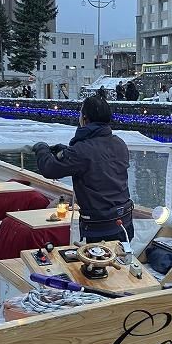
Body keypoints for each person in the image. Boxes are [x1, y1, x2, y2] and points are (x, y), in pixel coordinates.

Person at [32, 95, 134, 243]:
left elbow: (49, 169)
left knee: (100, 258)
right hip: (124, 220)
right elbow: (97, 161)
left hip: (99, 226)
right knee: (121, 256)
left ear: (84, 118)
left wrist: (42, 149)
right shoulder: (119, 143)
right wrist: (66, 151)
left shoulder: (81, 150)